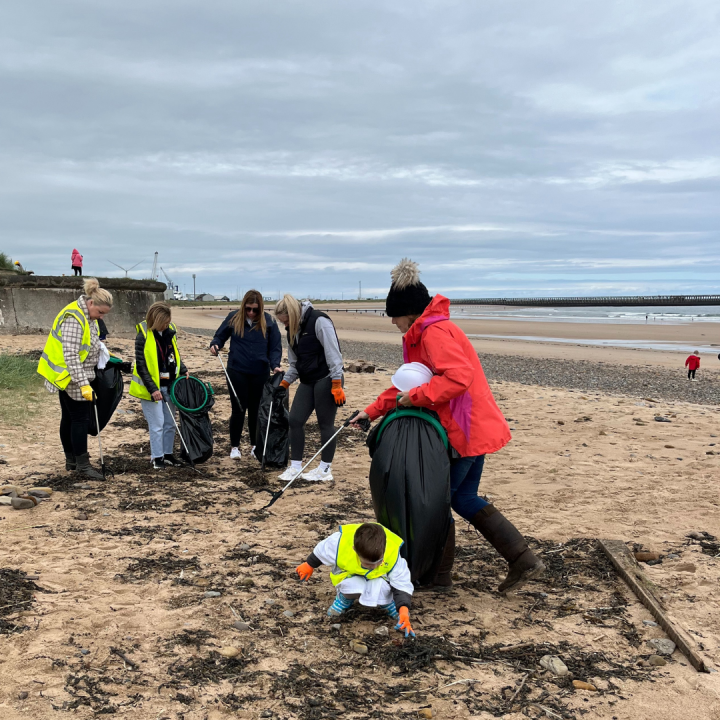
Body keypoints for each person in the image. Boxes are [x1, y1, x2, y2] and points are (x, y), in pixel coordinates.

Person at [352, 259, 545, 594]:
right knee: (463, 496)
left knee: (437, 501)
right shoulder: (425, 333)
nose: (393, 323)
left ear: (409, 312)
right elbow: (407, 385)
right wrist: (371, 411)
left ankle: (441, 578)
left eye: (394, 316)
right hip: (474, 425)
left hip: (464, 428)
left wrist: (417, 399)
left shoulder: (434, 333)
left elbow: (456, 378)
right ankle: (523, 560)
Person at [37, 278, 113, 479]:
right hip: (71, 377)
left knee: (70, 418)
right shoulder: (74, 318)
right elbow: (71, 355)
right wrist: (84, 385)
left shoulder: (88, 317)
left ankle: (71, 460)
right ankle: (82, 465)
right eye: (100, 312)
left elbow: (91, 342)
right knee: (80, 419)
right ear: (91, 303)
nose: (101, 317)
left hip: (74, 375)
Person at [296, 522, 415, 636]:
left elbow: (401, 582)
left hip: (379, 578)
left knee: (384, 588)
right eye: (368, 564)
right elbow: (323, 550)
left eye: (378, 561)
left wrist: (403, 610)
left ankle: (388, 604)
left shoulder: (392, 552)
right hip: (348, 576)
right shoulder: (341, 542)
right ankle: (344, 599)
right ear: (355, 550)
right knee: (352, 585)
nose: (374, 567)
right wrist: (309, 564)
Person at [274, 294, 345, 482]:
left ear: (294, 314)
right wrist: (284, 383)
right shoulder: (292, 331)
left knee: (325, 424)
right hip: (307, 380)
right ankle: (295, 466)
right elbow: (294, 363)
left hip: (327, 378)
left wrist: (337, 383)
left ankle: (324, 469)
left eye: (286, 321)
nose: (285, 326)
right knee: (295, 420)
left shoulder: (319, 321)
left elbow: (334, 355)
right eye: (282, 323)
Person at [210, 290, 282, 459]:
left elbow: (275, 348)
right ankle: (235, 447)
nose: (251, 313)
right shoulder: (234, 318)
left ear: (261, 308)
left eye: (255, 310)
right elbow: (219, 337)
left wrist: (275, 366)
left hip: (260, 372)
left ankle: (255, 446)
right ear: (244, 307)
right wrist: (215, 345)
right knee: (238, 409)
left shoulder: (269, 322)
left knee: (256, 410)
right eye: (248, 309)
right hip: (237, 371)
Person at [129, 302, 189, 470]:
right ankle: (157, 458)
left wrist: (183, 370)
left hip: (170, 385)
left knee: (170, 422)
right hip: (151, 389)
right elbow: (141, 366)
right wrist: (153, 389)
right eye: (164, 322)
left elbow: (174, 354)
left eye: (168, 321)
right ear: (156, 320)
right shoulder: (143, 334)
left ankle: (168, 454)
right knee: (157, 424)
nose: (167, 325)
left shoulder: (171, 331)